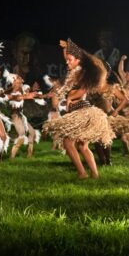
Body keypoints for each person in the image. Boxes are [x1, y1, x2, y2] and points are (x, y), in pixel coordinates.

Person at [43, 39, 115, 179]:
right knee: (83, 146)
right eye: (66, 60)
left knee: (68, 142)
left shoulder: (81, 72)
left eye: (70, 59)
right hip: (83, 111)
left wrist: (70, 98)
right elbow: (64, 87)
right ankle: (94, 174)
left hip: (82, 111)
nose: (67, 62)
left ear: (78, 60)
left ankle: (82, 173)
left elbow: (83, 90)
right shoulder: (76, 72)